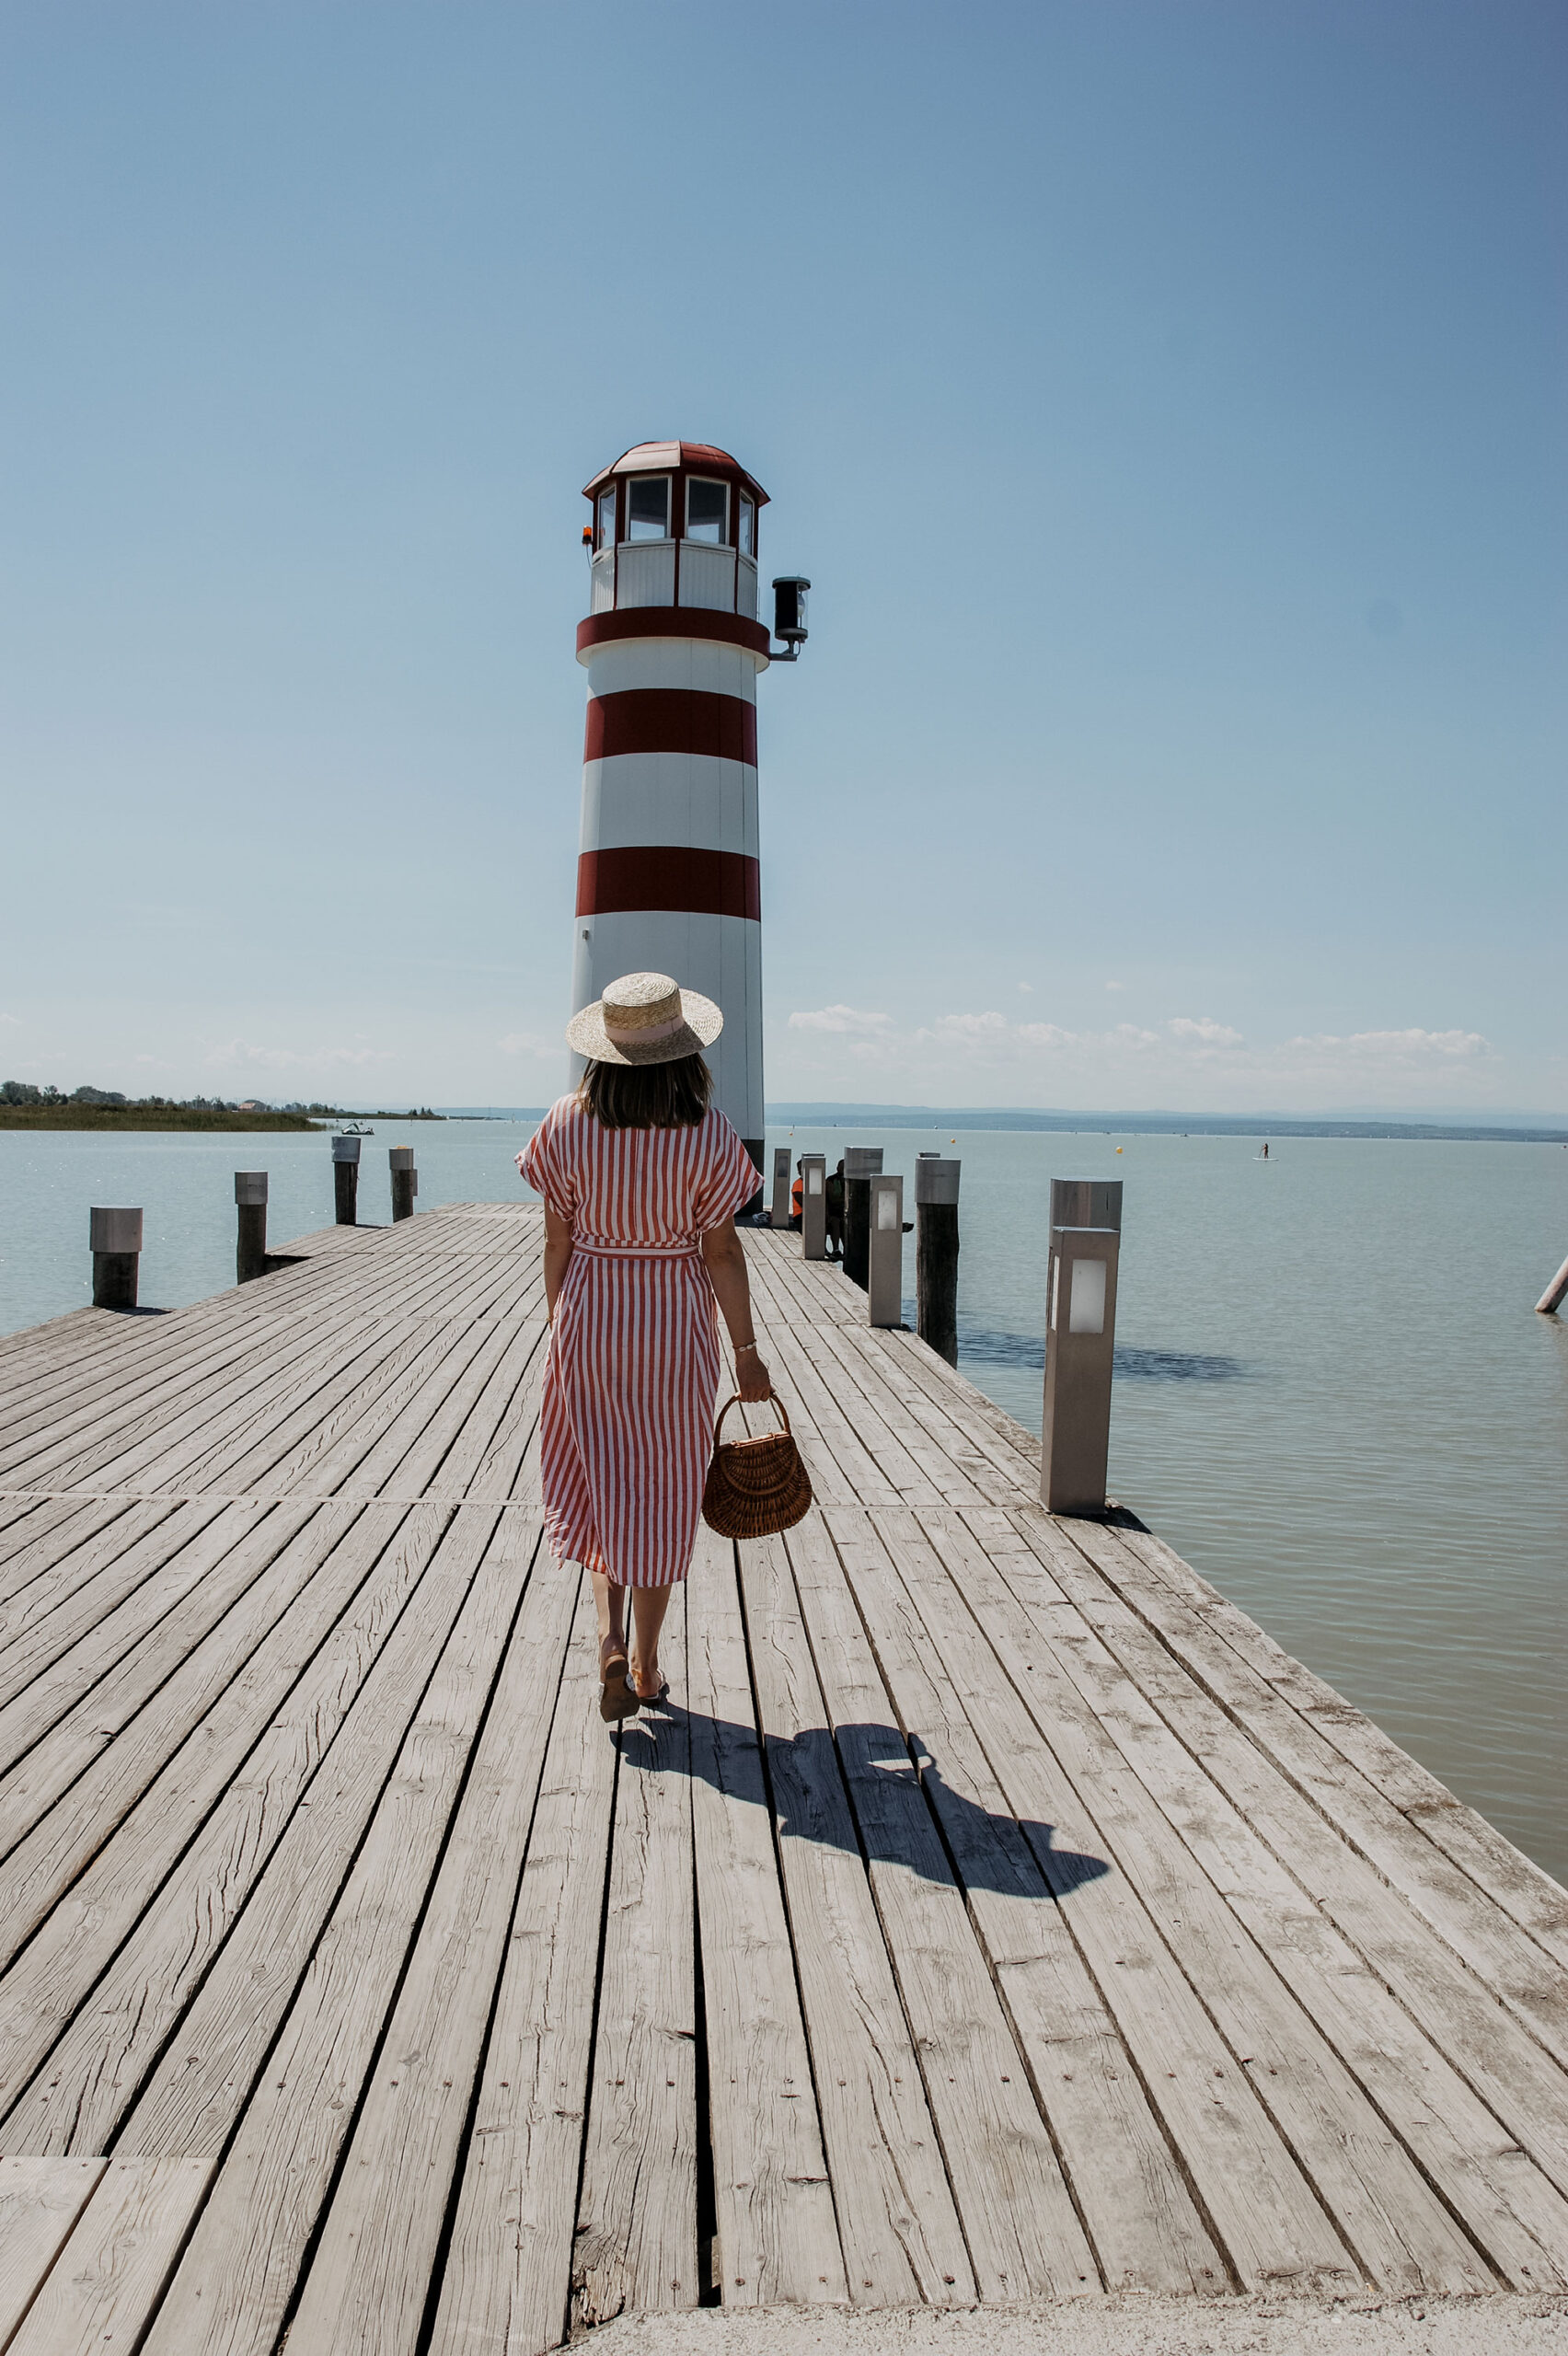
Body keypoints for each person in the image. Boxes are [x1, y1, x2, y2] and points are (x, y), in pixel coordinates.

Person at [517, 972, 772, 1724]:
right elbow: (722, 1252)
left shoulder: (565, 1122)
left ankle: (609, 1643)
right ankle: (652, 1665)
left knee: (603, 1483)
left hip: (591, 1314)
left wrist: (564, 1321)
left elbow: (555, 1240)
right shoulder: (708, 1131)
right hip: (672, 1325)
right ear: (683, 1053)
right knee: (659, 1493)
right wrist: (747, 1350)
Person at [824, 1158, 846, 1261]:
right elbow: (833, 1198)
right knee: (836, 1222)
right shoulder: (831, 1180)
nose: (842, 1169)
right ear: (837, 1167)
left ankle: (849, 1250)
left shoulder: (850, 1180)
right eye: (841, 1167)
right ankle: (836, 1249)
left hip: (845, 1213)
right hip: (833, 1211)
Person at [789, 1160, 804, 1230]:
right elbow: (802, 1203)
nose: (801, 1170)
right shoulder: (798, 1184)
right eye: (799, 1168)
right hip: (799, 1214)